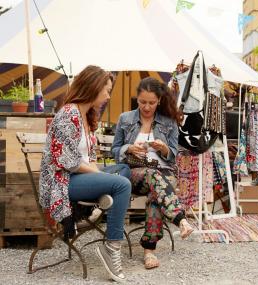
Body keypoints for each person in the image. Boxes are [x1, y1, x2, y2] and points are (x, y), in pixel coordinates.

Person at [39, 65, 131, 283]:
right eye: (106, 90)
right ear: (94, 87)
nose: (108, 96)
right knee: (123, 185)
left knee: (124, 169)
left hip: (79, 177)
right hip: (62, 182)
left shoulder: (86, 115)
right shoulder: (69, 113)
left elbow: (86, 159)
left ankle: (101, 204)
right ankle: (112, 246)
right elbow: (66, 161)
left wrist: (99, 172)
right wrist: (98, 173)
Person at [112, 77, 193, 269]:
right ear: (137, 99)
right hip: (133, 174)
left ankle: (149, 251)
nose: (146, 107)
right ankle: (180, 219)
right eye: (142, 102)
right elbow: (114, 151)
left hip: (162, 173)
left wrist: (164, 148)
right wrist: (129, 148)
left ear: (159, 101)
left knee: (155, 194)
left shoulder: (169, 122)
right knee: (153, 176)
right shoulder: (125, 119)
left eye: (151, 103)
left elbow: (172, 157)